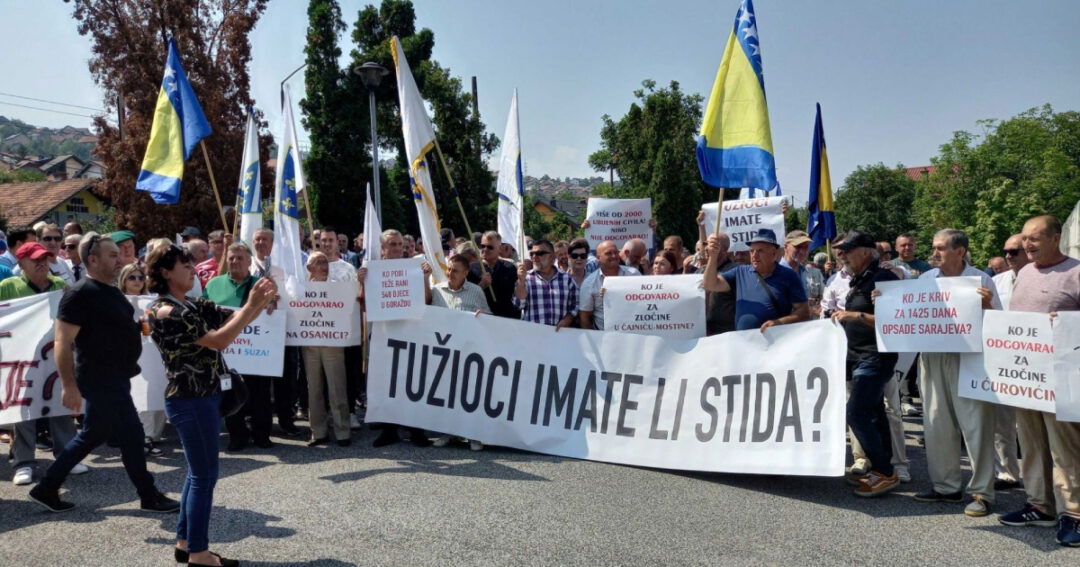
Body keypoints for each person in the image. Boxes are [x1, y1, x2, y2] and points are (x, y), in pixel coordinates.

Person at [145, 243, 275, 566]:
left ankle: (185, 541)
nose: (192, 269)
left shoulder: (188, 304)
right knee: (204, 477)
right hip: (191, 401)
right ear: (164, 272)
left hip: (203, 397)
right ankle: (199, 554)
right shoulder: (166, 311)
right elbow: (220, 339)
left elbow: (230, 316)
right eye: (184, 264)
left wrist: (261, 301)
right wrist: (253, 306)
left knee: (197, 473)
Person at [28, 233, 178, 514]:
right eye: (112, 255)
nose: (119, 259)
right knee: (133, 435)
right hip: (101, 378)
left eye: (118, 254)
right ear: (92, 259)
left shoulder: (111, 291)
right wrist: (68, 386)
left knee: (92, 435)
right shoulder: (79, 293)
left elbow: (114, 329)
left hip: (117, 377)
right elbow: (62, 342)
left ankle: (46, 488)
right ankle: (149, 495)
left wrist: (142, 327)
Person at [998, 215, 1080, 547]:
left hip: (1062, 377)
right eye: (1025, 239)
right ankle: (1039, 504)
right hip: (1026, 377)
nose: (1027, 244)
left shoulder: (1075, 272)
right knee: (1031, 444)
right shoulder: (1025, 274)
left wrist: (1066, 321)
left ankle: (1073, 513)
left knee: (1066, 449)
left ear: (1056, 237)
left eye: (1035, 239)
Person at [912, 228, 1000, 517]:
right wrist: (886, 302)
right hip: (933, 356)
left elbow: (999, 325)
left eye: (940, 248)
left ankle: (982, 492)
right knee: (937, 423)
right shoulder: (926, 280)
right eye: (933, 247)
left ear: (960, 251)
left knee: (975, 425)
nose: (934, 252)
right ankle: (946, 487)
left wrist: (987, 305)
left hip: (970, 358)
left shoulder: (981, 279)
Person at [1, 242, 85, 486]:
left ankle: (67, 456)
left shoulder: (60, 285)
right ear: (21, 263)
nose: (41, 263)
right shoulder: (8, 287)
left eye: (45, 259)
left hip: (54, 357)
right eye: (35, 259)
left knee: (60, 404)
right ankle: (24, 462)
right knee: (24, 410)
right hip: (21, 359)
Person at [828, 231, 901, 497]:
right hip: (858, 355)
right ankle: (884, 471)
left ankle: (885, 471)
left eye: (848, 250)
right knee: (874, 413)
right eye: (842, 250)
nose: (843, 255)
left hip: (875, 356)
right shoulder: (860, 280)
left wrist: (854, 315)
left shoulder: (885, 279)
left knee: (856, 412)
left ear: (867, 252)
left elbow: (892, 320)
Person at [358, 230, 434, 448]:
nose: (398, 248)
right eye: (392, 244)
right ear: (382, 248)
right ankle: (389, 430)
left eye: (400, 244)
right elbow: (363, 304)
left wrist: (426, 279)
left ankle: (415, 430)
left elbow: (427, 300)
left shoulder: (414, 269)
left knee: (410, 380)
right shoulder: (372, 270)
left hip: (410, 332)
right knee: (385, 383)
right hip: (383, 333)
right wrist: (362, 283)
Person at [204, 243, 278, 450]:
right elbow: (205, 312)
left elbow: (274, 307)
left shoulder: (261, 285)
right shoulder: (213, 285)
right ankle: (237, 436)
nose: (235, 261)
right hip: (228, 353)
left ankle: (262, 435)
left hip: (257, 352)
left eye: (239, 258)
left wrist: (272, 304)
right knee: (230, 393)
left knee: (260, 394)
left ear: (248, 261)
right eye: (231, 258)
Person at [429, 255, 491, 451]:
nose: (450, 273)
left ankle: (473, 436)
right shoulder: (437, 290)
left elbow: (490, 318)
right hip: (446, 351)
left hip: (469, 351)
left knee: (469, 394)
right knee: (447, 394)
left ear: (465, 273)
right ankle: (448, 433)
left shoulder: (476, 291)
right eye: (448, 269)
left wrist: (483, 316)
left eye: (455, 270)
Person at [702, 228, 808, 332]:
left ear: (774, 254)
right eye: (752, 251)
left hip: (776, 343)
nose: (754, 255)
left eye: (760, 251)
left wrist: (780, 322)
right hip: (744, 344)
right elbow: (709, 285)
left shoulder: (789, 276)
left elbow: (803, 311)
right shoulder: (740, 272)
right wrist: (713, 257)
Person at [989, 233, 1026, 491]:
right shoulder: (996, 281)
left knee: (1033, 426)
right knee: (1002, 422)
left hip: (1037, 360)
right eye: (1006, 251)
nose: (1008, 256)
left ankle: (1043, 480)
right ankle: (1007, 473)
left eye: (1015, 251)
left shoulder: (1047, 277)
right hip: (1003, 359)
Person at [319, 226, 363, 430]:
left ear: (337, 242)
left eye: (330, 240)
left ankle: (350, 412)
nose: (327, 244)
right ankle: (327, 413)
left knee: (348, 372)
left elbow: (356, 297)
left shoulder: (347, 268)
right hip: (319, 331)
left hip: (344, 331)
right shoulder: (309, 266)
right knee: (323, 375)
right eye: (323, 240)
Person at [514, 239, 578, 329]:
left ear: (552, 256)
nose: (534, 257)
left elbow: (575, 306)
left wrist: (567, 320)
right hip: (532, 335)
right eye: (532, 254)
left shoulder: (567, 279)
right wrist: (521, 282)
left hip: (559, 335)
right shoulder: (526, 278)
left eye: (540, 253)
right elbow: (518, 305)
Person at [579, 240, 639, 330]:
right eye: (608, 253)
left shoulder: (633, 274)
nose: (614, 256)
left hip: (634, 333)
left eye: (616, 252)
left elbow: (643, 299)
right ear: (598, 257)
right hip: (604, 336)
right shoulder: (589, 283)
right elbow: (585, 317)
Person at [468, 231, 521, 319]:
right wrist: (481, 285)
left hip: (507, 318)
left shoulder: (510, 268)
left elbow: (517, 296)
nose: (485, 249)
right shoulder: (471, 268)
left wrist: (522, 279)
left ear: (499, 248)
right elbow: (467, 295)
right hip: (482, 317)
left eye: (490, 247)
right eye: (482, 246)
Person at [704, 233, 736, 336]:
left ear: (724, 250)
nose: (707, 248)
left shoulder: (734, 271)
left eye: (713, 245)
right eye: (706, 244)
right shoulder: (700, 271)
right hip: (702, 331)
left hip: (725, 334)